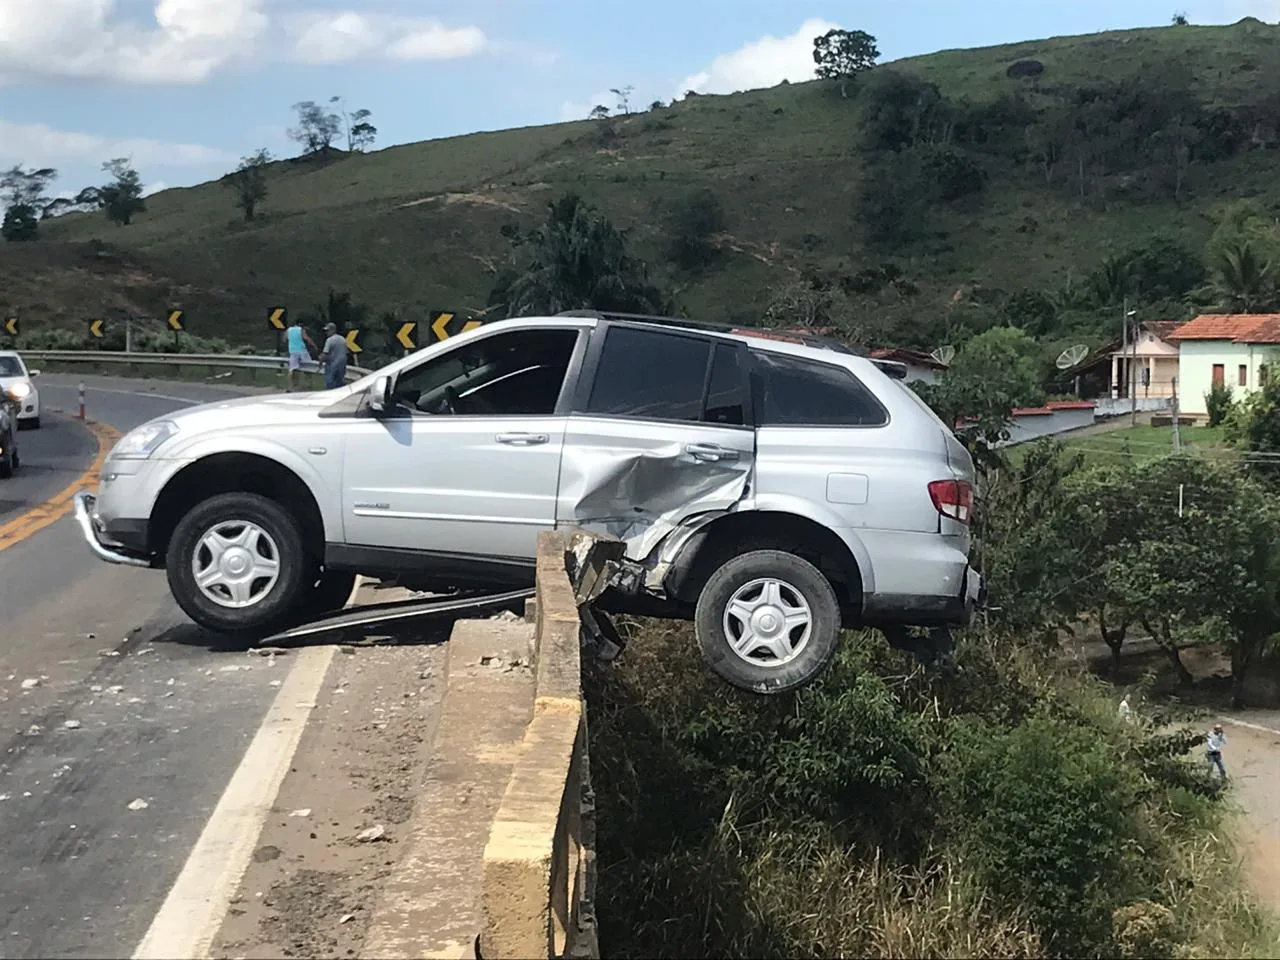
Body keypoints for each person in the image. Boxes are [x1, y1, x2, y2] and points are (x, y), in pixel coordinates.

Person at [286, 321, 317, 392]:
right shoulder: (301, 329)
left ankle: (291, 386)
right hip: (302, 350)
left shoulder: (288, 330)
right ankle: (309, 384)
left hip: (292, 351)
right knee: (309, 366)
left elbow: (285, 338)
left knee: (292, 369)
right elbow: (307, 338)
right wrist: (315, 346)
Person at [319, 322, 348, 391]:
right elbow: (346, 352)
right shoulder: (342, 339)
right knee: (340, 382)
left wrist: (320, 362)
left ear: (333, 330)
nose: (326, 333)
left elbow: (325, 353)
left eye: (328, 331)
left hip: (332, 364)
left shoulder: (329, 340)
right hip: (342, 364)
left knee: (330, 382)